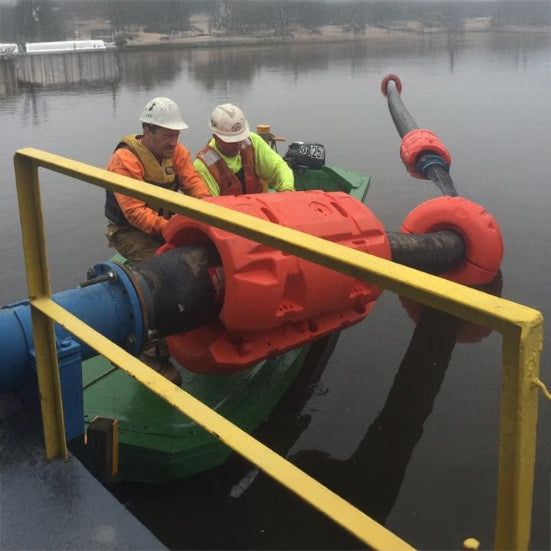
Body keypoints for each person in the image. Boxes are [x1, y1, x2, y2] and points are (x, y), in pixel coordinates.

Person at [105, 96, 211, 264]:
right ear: (147, 131)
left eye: (176, 135)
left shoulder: (177, 152)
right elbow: (135, 213)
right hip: (129, 230)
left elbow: (193, 183)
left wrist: (207, 207)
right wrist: (173, 227)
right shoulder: (125, 160)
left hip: (164, 222)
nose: (173, 142)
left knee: (207, 251)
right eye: (168, 136)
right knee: (163, 267)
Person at [194, 103, 295, 196]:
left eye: (240, 138)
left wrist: (287, 189)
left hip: (257, 207)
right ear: (215, 137)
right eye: (231, 141)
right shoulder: (203, 166)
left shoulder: (252, 141)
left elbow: (279, 168)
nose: (238, 145)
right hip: (226, 210)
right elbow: (211, 206)